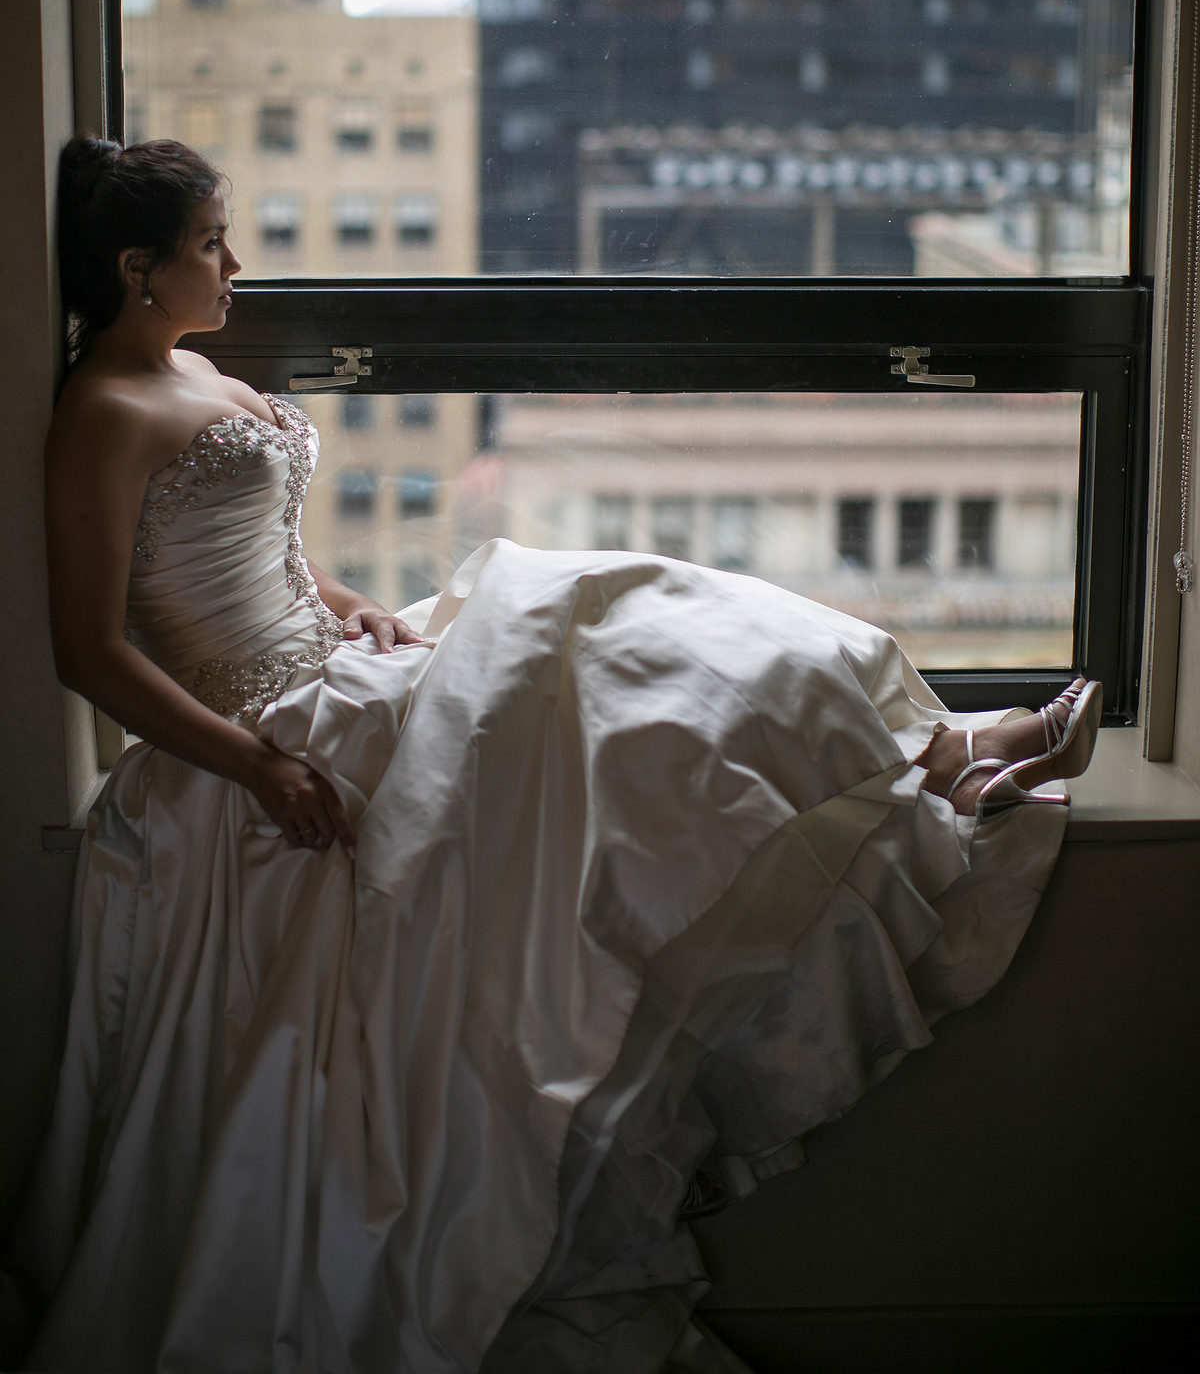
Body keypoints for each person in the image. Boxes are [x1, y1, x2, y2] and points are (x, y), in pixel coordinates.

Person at [5, 135, 1101, 1374]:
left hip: (342, 666)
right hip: (272, 733)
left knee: (638, 624)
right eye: (212, 244)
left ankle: (942, 745)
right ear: (137, 267)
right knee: (606, 662)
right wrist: (257, 767)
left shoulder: (191, 372)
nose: (237, 265)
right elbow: (91, 648)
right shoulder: (99, 410)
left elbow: (251, 551)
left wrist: (349, 596)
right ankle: (941, 751)